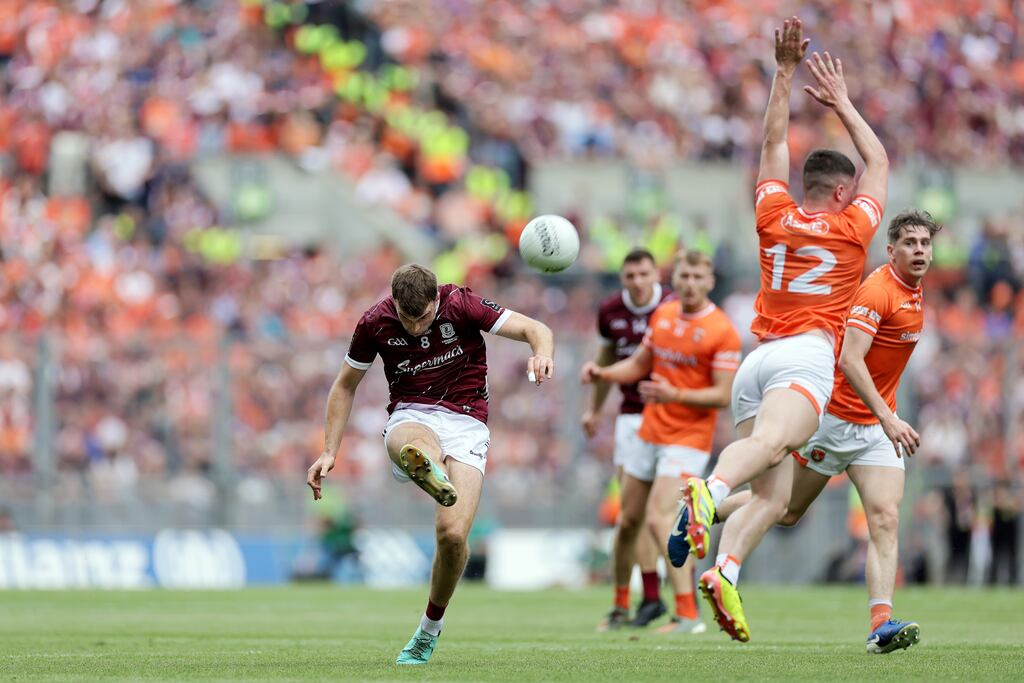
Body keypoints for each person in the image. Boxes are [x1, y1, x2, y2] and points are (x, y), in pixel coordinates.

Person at [669, 17, 889, 643]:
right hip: (806, 360)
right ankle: (707, 490)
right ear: (843, 192)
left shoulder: (773, 211)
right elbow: (879, 159)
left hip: (757, 359)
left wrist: (785, 72)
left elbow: (770, 149)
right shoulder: (853, 228)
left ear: (806, 185)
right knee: (766, 453)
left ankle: (726, 573)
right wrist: (841, 101)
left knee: (775, 499)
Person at [681, 210, 939, 653]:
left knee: (886, 517)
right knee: (784, 509)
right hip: (836, 420)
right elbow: (850, 361)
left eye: (924, 244)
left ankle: (881, 624)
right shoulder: (876, 292)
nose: (919, 250)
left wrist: (884, 417)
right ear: (890, 249)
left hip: (876, 428)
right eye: (910, 243)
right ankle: (708, 509)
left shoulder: (915, 293)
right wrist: (888, 416)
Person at [305, 264, 554, 665]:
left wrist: (541, 354)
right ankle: (427, 463)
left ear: (437, 298)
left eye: (423, 318)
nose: (416, 328)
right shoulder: (375, 322)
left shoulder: (463, 304)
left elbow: (536, 328)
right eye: (408, 318)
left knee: (453, 535)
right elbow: (344, 385)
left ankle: (428, 630)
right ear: (395, 305)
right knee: (414, 441)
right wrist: (329, 451)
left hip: (468, 420)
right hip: (412, 413)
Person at [583, 251, 741, 635]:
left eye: (696, 276)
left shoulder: (722, 330)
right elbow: (639, 364)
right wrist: (603, 372)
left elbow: (722, 396)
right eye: (683, 275)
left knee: (660, 519)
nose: (689, 283)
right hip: (650, 430)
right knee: (631, 518)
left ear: (709, 282)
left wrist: (675, 395)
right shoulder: (664, 315)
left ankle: (688, 614)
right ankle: (642, 602)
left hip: (688, 438)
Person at [582, 248, 673, 630]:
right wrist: (595, 410)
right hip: (631, 419)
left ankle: (671, 601)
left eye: (643, 274)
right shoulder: (610, 311)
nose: (636, 282)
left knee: (660, 515)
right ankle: (628, 603)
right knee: (630, 518)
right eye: (630, 275)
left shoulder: (671, 306)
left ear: (656, 275)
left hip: (670, 418)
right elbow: (605, 359)